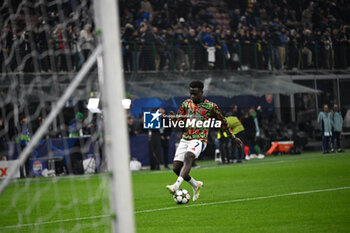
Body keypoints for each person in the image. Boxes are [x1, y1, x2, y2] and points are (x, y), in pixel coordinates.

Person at [166, 81, 243, 201]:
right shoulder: (186, 104)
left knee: (189, 155)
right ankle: (195, 185)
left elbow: (223, 122)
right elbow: (178, 122)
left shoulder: (211, 106)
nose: (192, 96)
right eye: (191, 93)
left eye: (195, 94)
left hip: (200, 139)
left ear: (202, 92)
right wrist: (173, 119)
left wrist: (232, 137)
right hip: (186, 138)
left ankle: (176, 186)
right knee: (176, 167)